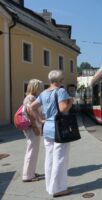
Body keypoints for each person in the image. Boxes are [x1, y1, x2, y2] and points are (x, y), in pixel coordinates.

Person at [30, 70, 74, 198]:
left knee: (49, 158)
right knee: (60, 158)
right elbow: (63, 109)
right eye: (62, 79)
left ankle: (50, 187)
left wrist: (39, 119)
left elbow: (31, 107)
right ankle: (59, 189)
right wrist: (70, 102)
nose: (63, 81)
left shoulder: (43, 93)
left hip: (47, 128)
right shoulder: (60, 91)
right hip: (59, 128)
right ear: (60, 80)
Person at [22, 79, 44, 182]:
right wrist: (36, 126)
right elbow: (31, 113)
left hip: (33, 126)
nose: (41, 89)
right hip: (33, 127)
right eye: (39, 86)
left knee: (32, 150)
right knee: (32, 150)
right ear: (35, 87)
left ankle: (30, 172)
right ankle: (28, 175)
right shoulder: (30, 98)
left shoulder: (29, 97)